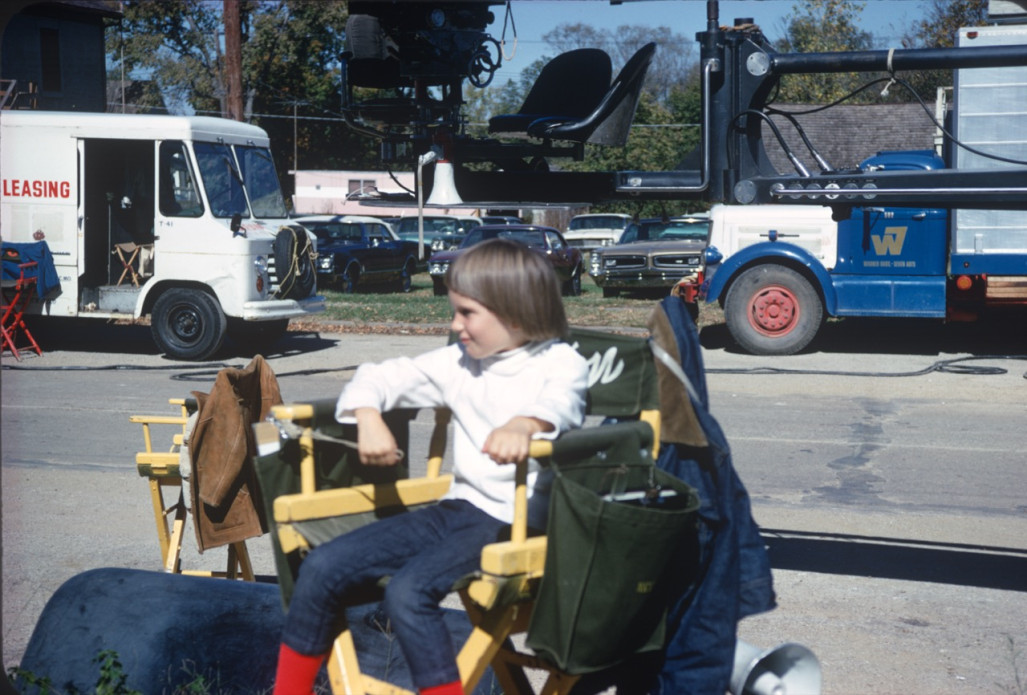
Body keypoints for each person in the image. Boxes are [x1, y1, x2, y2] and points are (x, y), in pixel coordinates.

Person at [273, 238, 589, 695]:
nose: (454, 324)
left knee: (408, 592)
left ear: (516, 313)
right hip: (458, 509)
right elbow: (379, 376)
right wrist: (368, 419)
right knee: (322, 565)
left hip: (516, 520)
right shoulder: (460, 362)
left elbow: (560, 404)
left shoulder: (559, 363)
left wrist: (524, 425)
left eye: (467, 313)